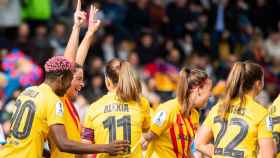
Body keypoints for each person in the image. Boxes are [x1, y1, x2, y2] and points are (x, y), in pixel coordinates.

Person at [0, 56, 129, 158]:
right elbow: (63, 144)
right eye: (69, 80)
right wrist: (106, 147)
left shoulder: (27, 92)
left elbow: (27, 137)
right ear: (61, 79)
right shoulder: (54, 101)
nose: (69, 86)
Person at [48, 1, 103, 158]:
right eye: (78, 79)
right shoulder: (58, 97)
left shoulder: (68, 104)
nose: (82, 83)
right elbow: (70, 63)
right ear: (64, 79)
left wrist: (90, 32)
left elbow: (77, 63)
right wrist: (76, 27)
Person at [195, 61, 275, 158]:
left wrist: (218, 153)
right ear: (258, 84)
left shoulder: (219, 107)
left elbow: (198, 143)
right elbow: (268, 155)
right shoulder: (263, 114)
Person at [81, 59, 151, 158]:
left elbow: (85, 144)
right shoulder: (141, 103)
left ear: (107, 80)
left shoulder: (94, 108)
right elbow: (146, 131)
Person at [141, 67, 212, 158]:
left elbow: (186, 149)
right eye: (209, 90)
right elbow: (145, 139)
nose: (210, 95)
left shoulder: (195, 115)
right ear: (197, 90)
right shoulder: (168, 109)